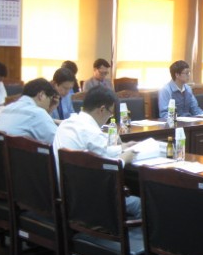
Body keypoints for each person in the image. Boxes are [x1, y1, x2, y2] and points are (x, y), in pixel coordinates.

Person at [52, 86, 140, 219]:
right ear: (102, 109)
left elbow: (95, 152)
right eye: (110, 113)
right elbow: (108, 169)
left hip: (67, 197)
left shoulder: (67, 123)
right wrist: (124, 158)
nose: (110, 117)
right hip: (91, 201)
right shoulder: (92, 132)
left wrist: (121, 147)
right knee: (141, 204)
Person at [0, 78, 58, 144]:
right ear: (41, 95)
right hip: (20, 150)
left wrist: (48, 111)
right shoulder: (36, 113)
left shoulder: (5, 109)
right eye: (50, 99)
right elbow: (57, 140)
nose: (49, 104)